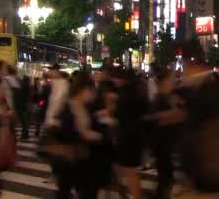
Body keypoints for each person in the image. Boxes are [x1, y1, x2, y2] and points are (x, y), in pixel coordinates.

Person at [53, 71, 102, 199]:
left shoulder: (88, 107)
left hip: (84, 161)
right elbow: (62, 133)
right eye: (91, 91)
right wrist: (83, 135)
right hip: (69, 160)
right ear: (83, 90)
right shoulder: (67, 107)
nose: (93, 94)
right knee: (66, 191)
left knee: (87, 191)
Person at [112, 67, 148, 199]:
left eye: (114, 78)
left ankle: (134, 196)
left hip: (127, 136)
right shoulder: (138, 90)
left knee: (130, 172)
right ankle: (125, 194)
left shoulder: (124, 94)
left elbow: (118, 114)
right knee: (123, 169)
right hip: (134, 135)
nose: (113, 81)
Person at [151, 68, 186, 199]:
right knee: (165, 178)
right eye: (171, 78)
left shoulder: (170, 97)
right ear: (164, 81)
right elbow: (158, 118)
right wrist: (177, 113)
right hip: (162, 144)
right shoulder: (159, 98)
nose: (174, 80)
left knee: (166, 177)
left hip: (167, 144)